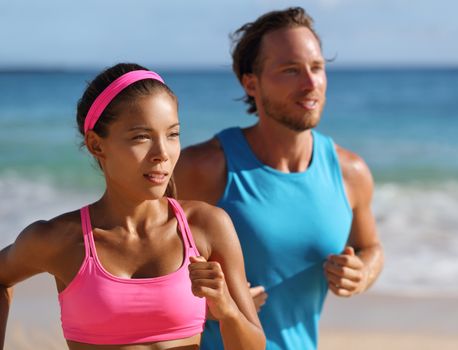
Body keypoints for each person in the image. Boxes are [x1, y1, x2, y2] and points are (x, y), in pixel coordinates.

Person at [0, 63, 265, 350]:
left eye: (172, 134)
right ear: (96, 145)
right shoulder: (59, 240)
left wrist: (227, 310)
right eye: (142, 137)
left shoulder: (206, 225)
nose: (162, 153)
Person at [173, 7, 384, 350]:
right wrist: (211, 305)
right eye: (290, 70)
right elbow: (139, 262)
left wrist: (362, 272)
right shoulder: (205, 167)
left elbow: (370, 247)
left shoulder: (351, 173)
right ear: (251, 83)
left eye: (317, 68)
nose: (311, 83)